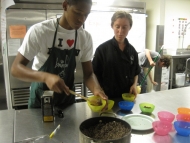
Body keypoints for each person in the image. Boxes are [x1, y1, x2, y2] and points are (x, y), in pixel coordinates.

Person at [11, 0, 107, 109]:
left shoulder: (85, 37)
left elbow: (89, 74)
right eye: (78, 13)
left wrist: (97, 89)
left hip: (67, 101)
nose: (82, 19)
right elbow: (16, 69)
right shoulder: (40, 31)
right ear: (65, 6)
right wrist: (46, 77)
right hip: (40, 101)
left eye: (86, 14)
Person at [92, 11, 141, 99]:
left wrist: (134, 85)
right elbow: (93, 73)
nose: (120, 31)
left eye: (124, 27)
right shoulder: (102, 49)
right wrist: (98, 89)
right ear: (112, 26)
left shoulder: (132, 51)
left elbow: (135, 72)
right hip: (107, 97)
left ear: (130, 27)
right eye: (117, 26)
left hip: (127, 97)